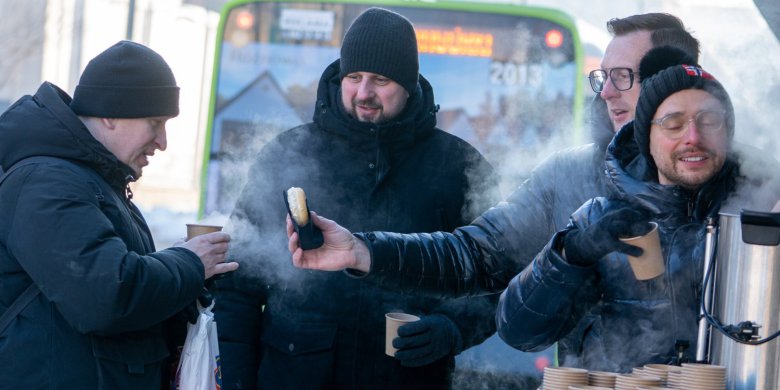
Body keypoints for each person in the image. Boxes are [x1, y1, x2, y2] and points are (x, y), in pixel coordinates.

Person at [286, 14, 700, 292]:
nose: (607, 92)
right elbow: (473, 254)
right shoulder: (567, 174)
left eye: (623, 77)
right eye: (603, 77)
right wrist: (362, 250)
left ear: (672, 79)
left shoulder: (745, 181)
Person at [213, 7, 500, 390]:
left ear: (409, 84)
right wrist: (236, 383)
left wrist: (453, 327)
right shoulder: (288, 155)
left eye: (380, 79)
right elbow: (237, 287)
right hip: (294, 376)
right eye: (354, 77)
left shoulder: (459, 167)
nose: (364, 93)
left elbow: (500, 272)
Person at [495, 46, 780, 371]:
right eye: (673, 124)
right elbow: (519, 333)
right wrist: (570, 254)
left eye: (710, 121)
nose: (693, 137)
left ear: (727, 132)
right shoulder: (601, 217)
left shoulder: (761, 210)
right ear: (647, 137)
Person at [0, 41, 237, 389]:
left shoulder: (93, 182)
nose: (162, 142)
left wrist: (185, 276)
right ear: (110, 114)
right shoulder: (47, 182)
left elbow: (121, 288)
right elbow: (106, 297)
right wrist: (188, 263)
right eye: (154, 123)